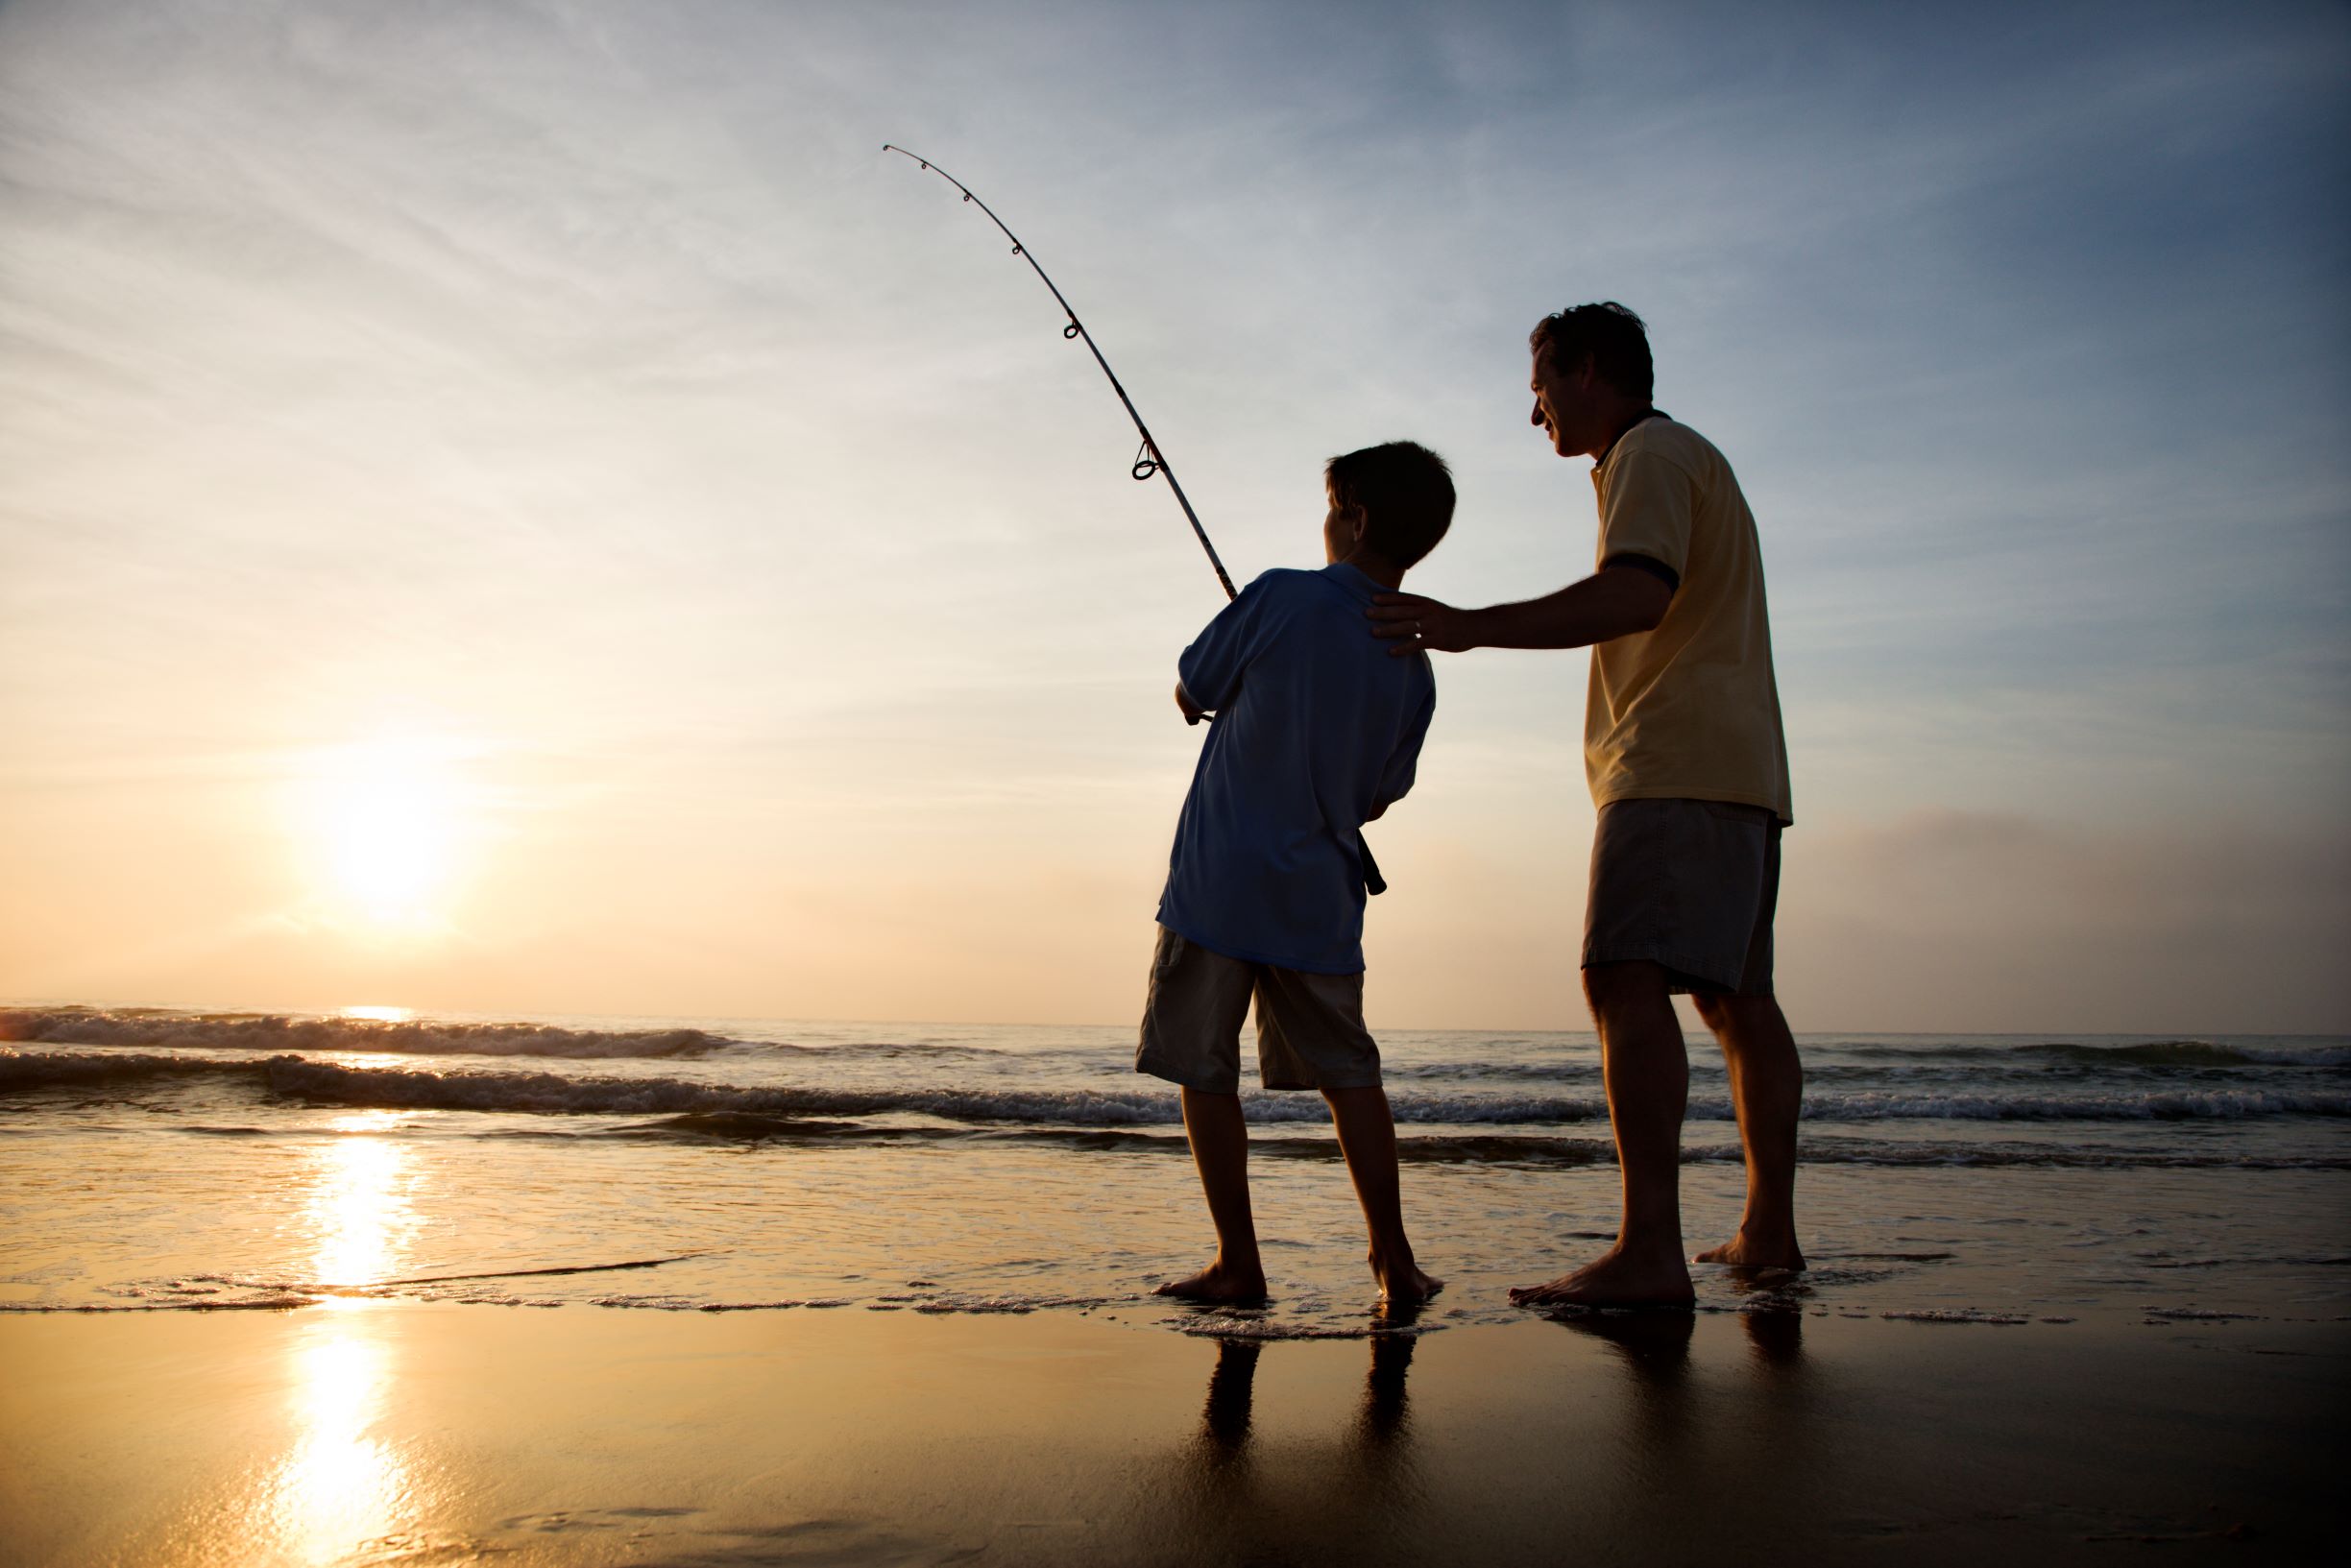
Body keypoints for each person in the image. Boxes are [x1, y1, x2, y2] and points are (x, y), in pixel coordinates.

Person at [1368, 303, 1804, 1307]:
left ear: (1593, 370)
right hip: (1742, 768)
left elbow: (1635, 596)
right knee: (1737, 1000)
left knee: (1619, 975)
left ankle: (1650, 1250)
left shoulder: (1648, 454)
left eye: (1541, 386)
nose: (1535, 414)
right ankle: (1768, 1235)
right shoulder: (1693, 457)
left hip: (1674, 761)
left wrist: (1468, 626)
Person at [1139, 441, 1452, 1307]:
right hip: (1319, 895)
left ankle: (1239, 1263)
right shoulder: (1414, 664)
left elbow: (1190, 684)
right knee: (1350, 1074)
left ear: (1351, 519)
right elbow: (1382, 792)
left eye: (1329, 510)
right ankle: (1393, 1259)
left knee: (1206, 1070)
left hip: (1218, 883)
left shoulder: (1281, 594)